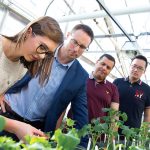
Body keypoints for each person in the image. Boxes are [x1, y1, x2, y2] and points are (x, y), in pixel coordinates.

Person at [0, 24, 94, 148]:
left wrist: (81, 145)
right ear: (67, 36)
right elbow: (12, 63)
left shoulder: (80, 77)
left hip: (33, 131)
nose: (76, 49)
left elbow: (81, 112)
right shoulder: (43, 49)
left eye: (82, 47)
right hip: (6, 113)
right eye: (74, 42)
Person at [0, 16, 64, 139]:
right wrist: (15, 126)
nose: (42, 56)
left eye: (47, 53)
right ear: (29, 32)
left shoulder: (22, 68)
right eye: (42, 47)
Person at [113, 55, 150, 130]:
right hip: (113, 131)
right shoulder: (117, 82)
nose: (136, 70)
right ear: (130, 66)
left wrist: (144, 134)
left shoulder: (147, 89)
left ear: (144, 71)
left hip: (132, 133)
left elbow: (147, 116)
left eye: (140, 68)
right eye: (134, 66)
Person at [87, 54, 119, 123]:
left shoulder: (113, 88)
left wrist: (112, 133)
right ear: (97, 62)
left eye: (108, 67)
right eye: (103, 64)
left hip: (97, 132)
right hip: (74, 129)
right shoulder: (82, 78)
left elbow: (114, 115)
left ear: (110, 71)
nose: (104, 68)